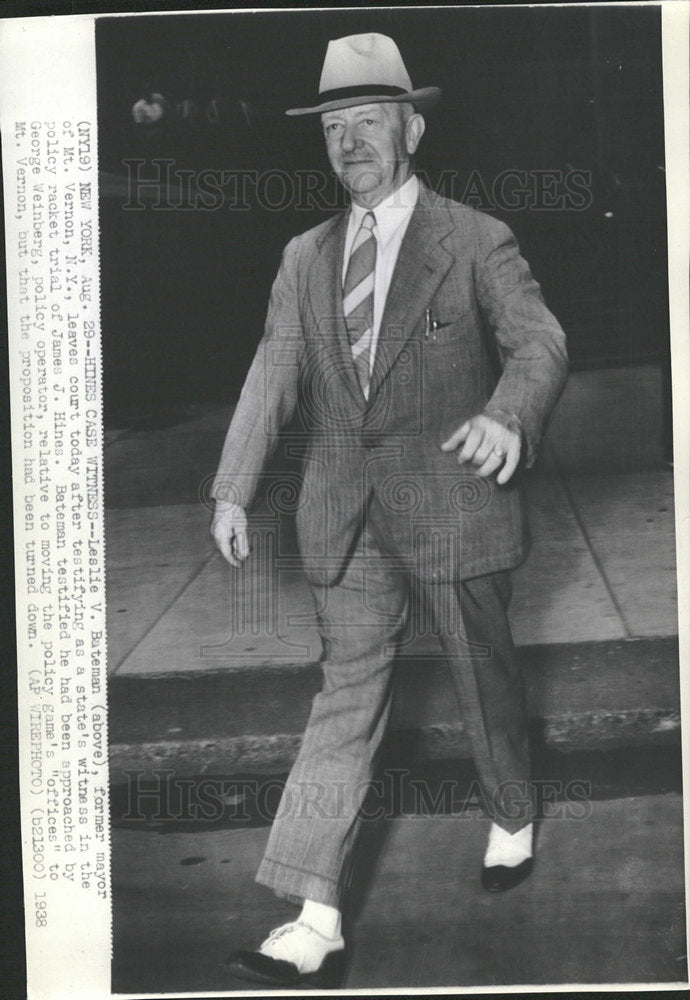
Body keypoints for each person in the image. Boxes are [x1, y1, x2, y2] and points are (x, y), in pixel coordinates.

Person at [211, 32, 568, 988]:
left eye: (369, 121)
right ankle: (315, 910)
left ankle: (510, 809)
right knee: (346, 697)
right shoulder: (303, 257)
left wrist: (507, 414)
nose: (351, 141)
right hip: (345, 512)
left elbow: (539, 342)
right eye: (334, 126)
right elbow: (271, 373)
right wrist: (233, 486)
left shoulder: (475, 238)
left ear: (411, 127)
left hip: (455, 498)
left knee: (482, 674)